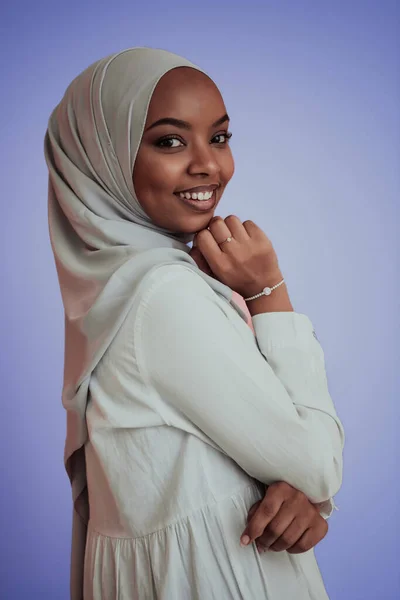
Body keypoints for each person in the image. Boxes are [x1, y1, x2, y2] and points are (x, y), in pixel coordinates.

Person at [44, 47, 345, 600]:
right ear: (103, 157)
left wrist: (298, 493)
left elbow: (277, 467)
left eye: (221, 137)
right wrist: (268, 292)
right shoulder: (163, 293)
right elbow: (319, 464)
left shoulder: (111, 288)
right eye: (169, 140)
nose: (209, 164)